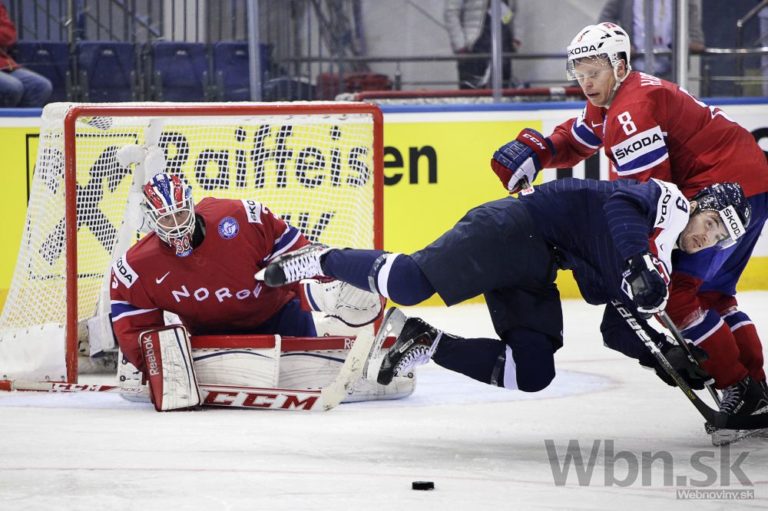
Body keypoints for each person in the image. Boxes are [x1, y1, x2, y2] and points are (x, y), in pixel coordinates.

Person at [258, 177, 767, 439]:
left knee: (532, 372)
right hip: (514, 225)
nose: (708, 238)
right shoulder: (669, 205)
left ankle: (424, 340)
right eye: (711, 223)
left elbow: (617, 327)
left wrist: (659, 357)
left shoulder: (661, 261)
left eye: (720, 238)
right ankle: (320, 259)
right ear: (699, 206)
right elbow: (620, 207)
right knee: (411, 281)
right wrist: (638, 262)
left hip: (538, 265)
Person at [488, 22, 768, 426]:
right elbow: (580, 137)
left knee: (678, 296)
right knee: (715, 295)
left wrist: (637, 259)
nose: (586, 82)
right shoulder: (621, 94)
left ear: (620, 65)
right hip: (750, 187)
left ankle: (741, 390)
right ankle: (756, 388)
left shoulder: (631, 111)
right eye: (580, 73)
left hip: (717, 194)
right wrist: (542, 151)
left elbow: (649, 199)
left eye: (594, 71)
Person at [109, 172, 382, 384]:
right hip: (212, 340)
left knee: (311, 384)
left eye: (180, 213)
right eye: (167, 219)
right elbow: (134, 322)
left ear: (191, 204)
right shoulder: (136, 267)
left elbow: (302, 259)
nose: (177, 225)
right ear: (150, 219)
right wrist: (154, 365)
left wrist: (326, 290)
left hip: (280, 319)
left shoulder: (242, 218)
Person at [599, 0, 705, 78]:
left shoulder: (683, 2)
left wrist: (695, 39)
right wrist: (619, 43)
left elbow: (691, 13)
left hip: (671, 68)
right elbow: (605, 19)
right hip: (634, 67)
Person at [443, 0, 519, 89]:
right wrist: (460, 45)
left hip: (503, 45)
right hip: (473, 47)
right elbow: (451, 13)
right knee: (471, 91)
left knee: (503, 89)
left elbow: (515, 10)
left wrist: (515, 38)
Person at [0, 2, 52, 107]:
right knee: (13, 87)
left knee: (40, 86)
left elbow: (9, 35)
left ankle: (19, 118)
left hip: (3, 63)